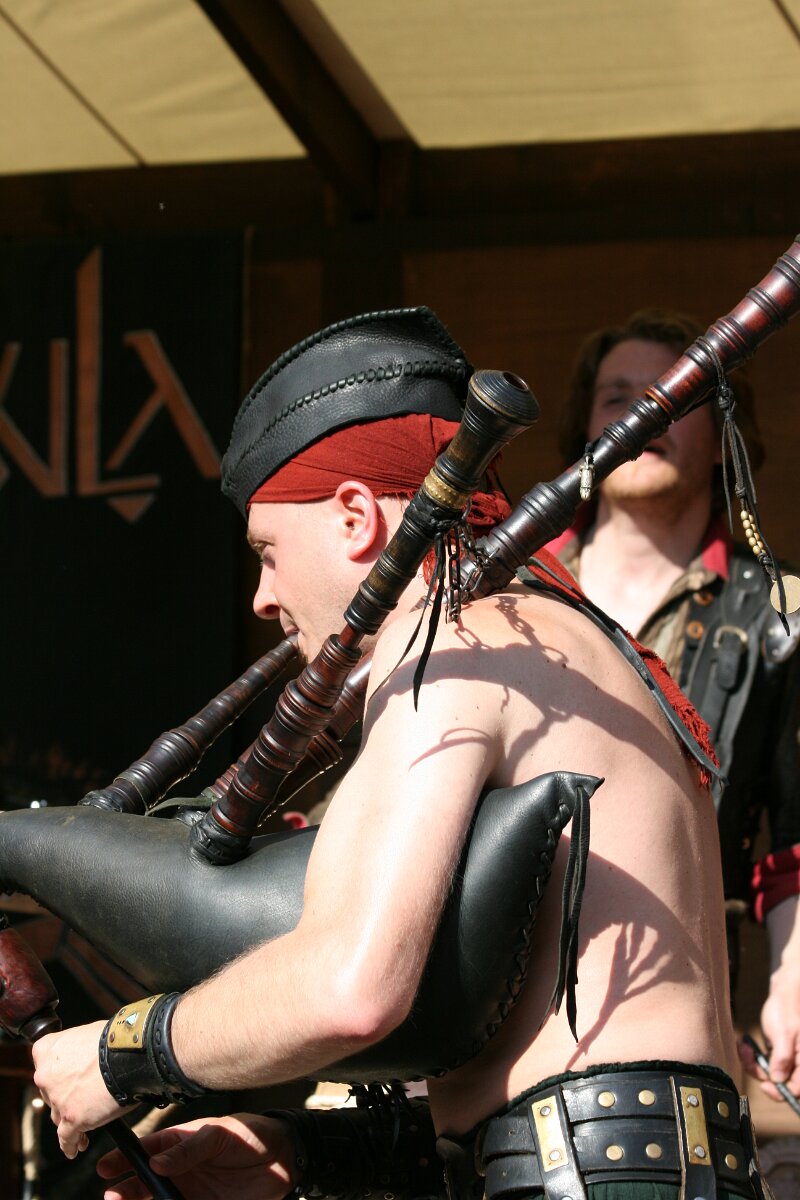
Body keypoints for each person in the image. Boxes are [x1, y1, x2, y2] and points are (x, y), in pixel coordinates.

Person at [30, 307, 772, 1199]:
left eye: (268, 551)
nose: (263, 596)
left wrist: (121, 1054)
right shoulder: (547, 638)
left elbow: (350, 988)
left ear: (354, 517)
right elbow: (556, 1063)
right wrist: (305, 1151)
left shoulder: (457, 640)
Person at [550, 308, 800, 1107]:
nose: (642, 414)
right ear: (585, 431)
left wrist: (793, 979)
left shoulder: (783, 609)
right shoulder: (507, 593)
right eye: (616, 397)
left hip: (677, 1017)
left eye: (672, 396)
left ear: (724, 435)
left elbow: (795, 842)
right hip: (497, 997)